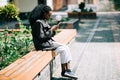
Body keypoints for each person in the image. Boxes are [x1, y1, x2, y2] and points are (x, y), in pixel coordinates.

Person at [29, 4, 77, 79]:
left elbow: (47, 34)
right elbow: (41, 37)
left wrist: (52, 30)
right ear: (44, 14)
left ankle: (67, 70)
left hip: (48, 43)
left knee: (65, 48)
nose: (50, 17)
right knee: (64, 49)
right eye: (49, 15)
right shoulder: (38, 22)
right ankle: (65, 71)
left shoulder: (44, 21)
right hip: (42, 45)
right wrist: (52, 30)